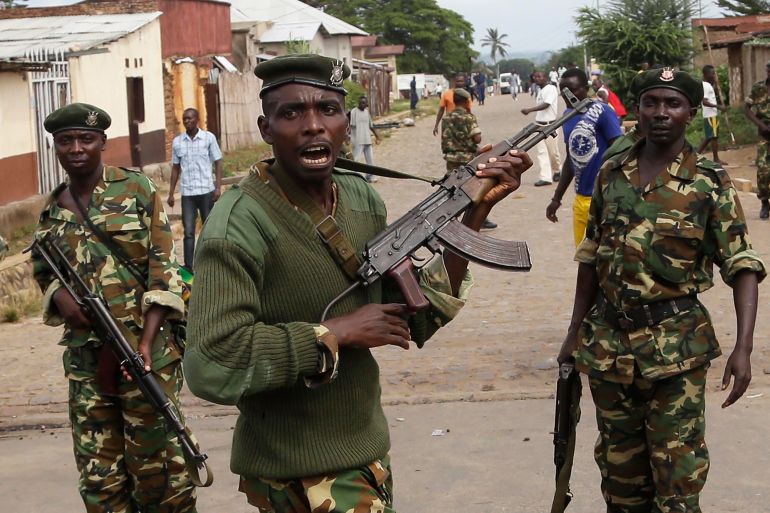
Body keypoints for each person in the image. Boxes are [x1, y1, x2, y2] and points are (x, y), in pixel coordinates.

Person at [182, 54, 530, 512]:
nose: (313, 126)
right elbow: (210, 364)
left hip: (365, 450)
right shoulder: (238, 223)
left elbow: (409, 319)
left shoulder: (361, 196)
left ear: (346, 122)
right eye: (292, 113)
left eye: (328, 109)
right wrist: (335, 333)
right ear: (267, 130)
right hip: (295, 471)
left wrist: (475, 211)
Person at [558, 68, 766, 513]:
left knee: (678, 480)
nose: (660, 113)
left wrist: (744, 347)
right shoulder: (612, 172)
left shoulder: (709, 181)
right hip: (610, 349)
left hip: (677, 351)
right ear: (637, 109)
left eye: (672, 104)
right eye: (651, 102)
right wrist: (573, 333)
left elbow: (742, 264)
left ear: (690, 112)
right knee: (621, 481)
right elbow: (591, 257)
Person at [31, 103, 196, 512]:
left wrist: (146, 340)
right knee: (99, 477)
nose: (76, 149)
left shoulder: (135, 189)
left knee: (159, 471)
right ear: (55, 147)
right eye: (65, 141)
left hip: (147, 354)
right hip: (88, 363)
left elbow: (164, 265)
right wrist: (59, 297)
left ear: (102, 142)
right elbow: (41, 267)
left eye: (86, 139)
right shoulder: (52, 212)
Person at [546, 68, 622, 246]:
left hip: (604, 201)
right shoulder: (567, 117)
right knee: (583, 259)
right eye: (563, 91)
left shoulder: (602, 112)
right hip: (581, 201)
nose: (567, 95)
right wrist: (556, 198)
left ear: (585, 88)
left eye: (572, 89)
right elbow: (570, 160)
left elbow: (620, 151)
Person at [167, 107, 224, 271]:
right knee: (189, 232)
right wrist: (171, 194)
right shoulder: (178, 142)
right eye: (184, 119)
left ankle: (212, 262)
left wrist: (217, 187)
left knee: (209, 230)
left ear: (197, 119)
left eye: (190, 118)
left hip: (206, 191)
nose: (187, 121)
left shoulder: (208, 138)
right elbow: (176, 168)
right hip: (188, 194)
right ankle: (189, 266)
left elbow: (218, 161)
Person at [522, 70, 562, 186]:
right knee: (542, 152)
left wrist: (529, 110)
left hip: (550, 125)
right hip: (539, 125)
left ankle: (557, 169)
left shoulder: (551, 89)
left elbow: (546, 105)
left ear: (546, 77)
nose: (536, 78)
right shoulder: (540, 91)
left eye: (539, 76)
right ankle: (545, 177)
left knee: (553, 153)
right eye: (535, 77)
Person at [744, 60, 770, 219]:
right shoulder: (758, 88)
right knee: (762, 169)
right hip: (764, 133)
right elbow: (746, 109)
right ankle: (765, 202)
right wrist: (760, 125)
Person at [441, 88, 481, 171]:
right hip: (468, 158)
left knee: (452, 181)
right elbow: (477, 139)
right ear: (466, 102)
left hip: (451, 158)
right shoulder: (469, 117)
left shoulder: (446, 118)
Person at [698, 64, 729, 165]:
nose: (714, 75)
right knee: (713, 136)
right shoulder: (706, 86)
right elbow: (704, 102)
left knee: (710, 137)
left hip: (711, 114)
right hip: (710, 115)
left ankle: (695, 155)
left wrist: (715, 84)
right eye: (712, 73)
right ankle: (716, 159)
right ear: (706, 74)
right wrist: (719, 107)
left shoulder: (708, 85)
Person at [349, 95, 380, 183]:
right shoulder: (354, 112)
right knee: (355, 160)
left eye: (364, 103)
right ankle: (352, 178)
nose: (362, 104)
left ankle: (370, 177)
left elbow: (371, 125)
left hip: (367, 139)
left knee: (370, 160)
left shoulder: (366, 112)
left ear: (367, 104)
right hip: (358, 140)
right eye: (361, 102)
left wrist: (377, 136)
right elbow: (350, 126)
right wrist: (348, 139)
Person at [433, 72, 470, 136]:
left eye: (461, 81)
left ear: (464, 82)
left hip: (462, 124)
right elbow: (441, 110)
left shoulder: (466, 95)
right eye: (458, 81)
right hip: (449, 123)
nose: (460, 83)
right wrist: (436, 125)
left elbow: (468, 110)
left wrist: (470, 126)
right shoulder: (447, 94)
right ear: (455, 82)